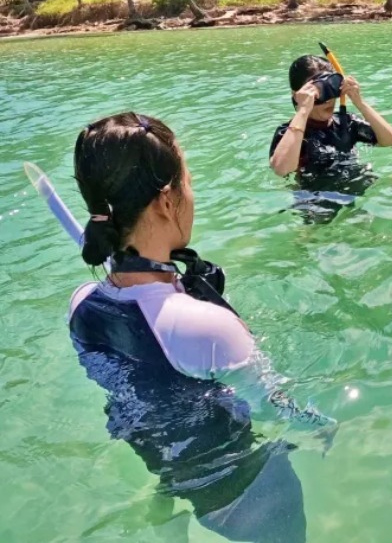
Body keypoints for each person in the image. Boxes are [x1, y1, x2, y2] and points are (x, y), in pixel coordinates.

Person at [70, 113, 333, 543]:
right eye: (188, 183)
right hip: (242, 490)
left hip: (167, 466)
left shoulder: (81, 305)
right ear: (166, 200)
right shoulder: (203, 325)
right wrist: (322, 423)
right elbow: (270, 406)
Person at [269, 54, 392, 178]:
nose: (328, 100)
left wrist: (360, 103)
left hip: (356, 188)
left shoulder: (346, 123)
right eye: (318, 92)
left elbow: (391, 142)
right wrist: (303, 110)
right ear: (297, 95)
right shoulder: (288, 133)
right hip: (313, 198)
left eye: (330, 88)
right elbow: (281, 170)